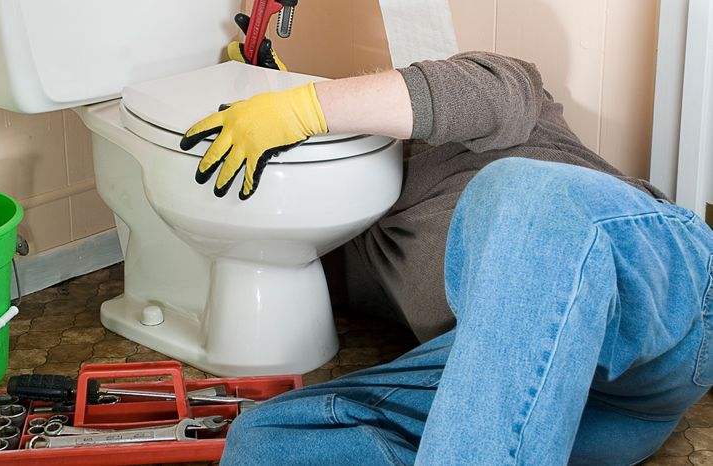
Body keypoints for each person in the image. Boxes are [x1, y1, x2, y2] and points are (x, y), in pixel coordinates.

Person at [179, 29, 713, 465]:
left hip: (660, 297)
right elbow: (278, 261)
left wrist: (301, 107)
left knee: (520, 193)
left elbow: (469, 90)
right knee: (266, 442)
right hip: (589, 408)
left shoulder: (497, 105)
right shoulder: (358, 239)